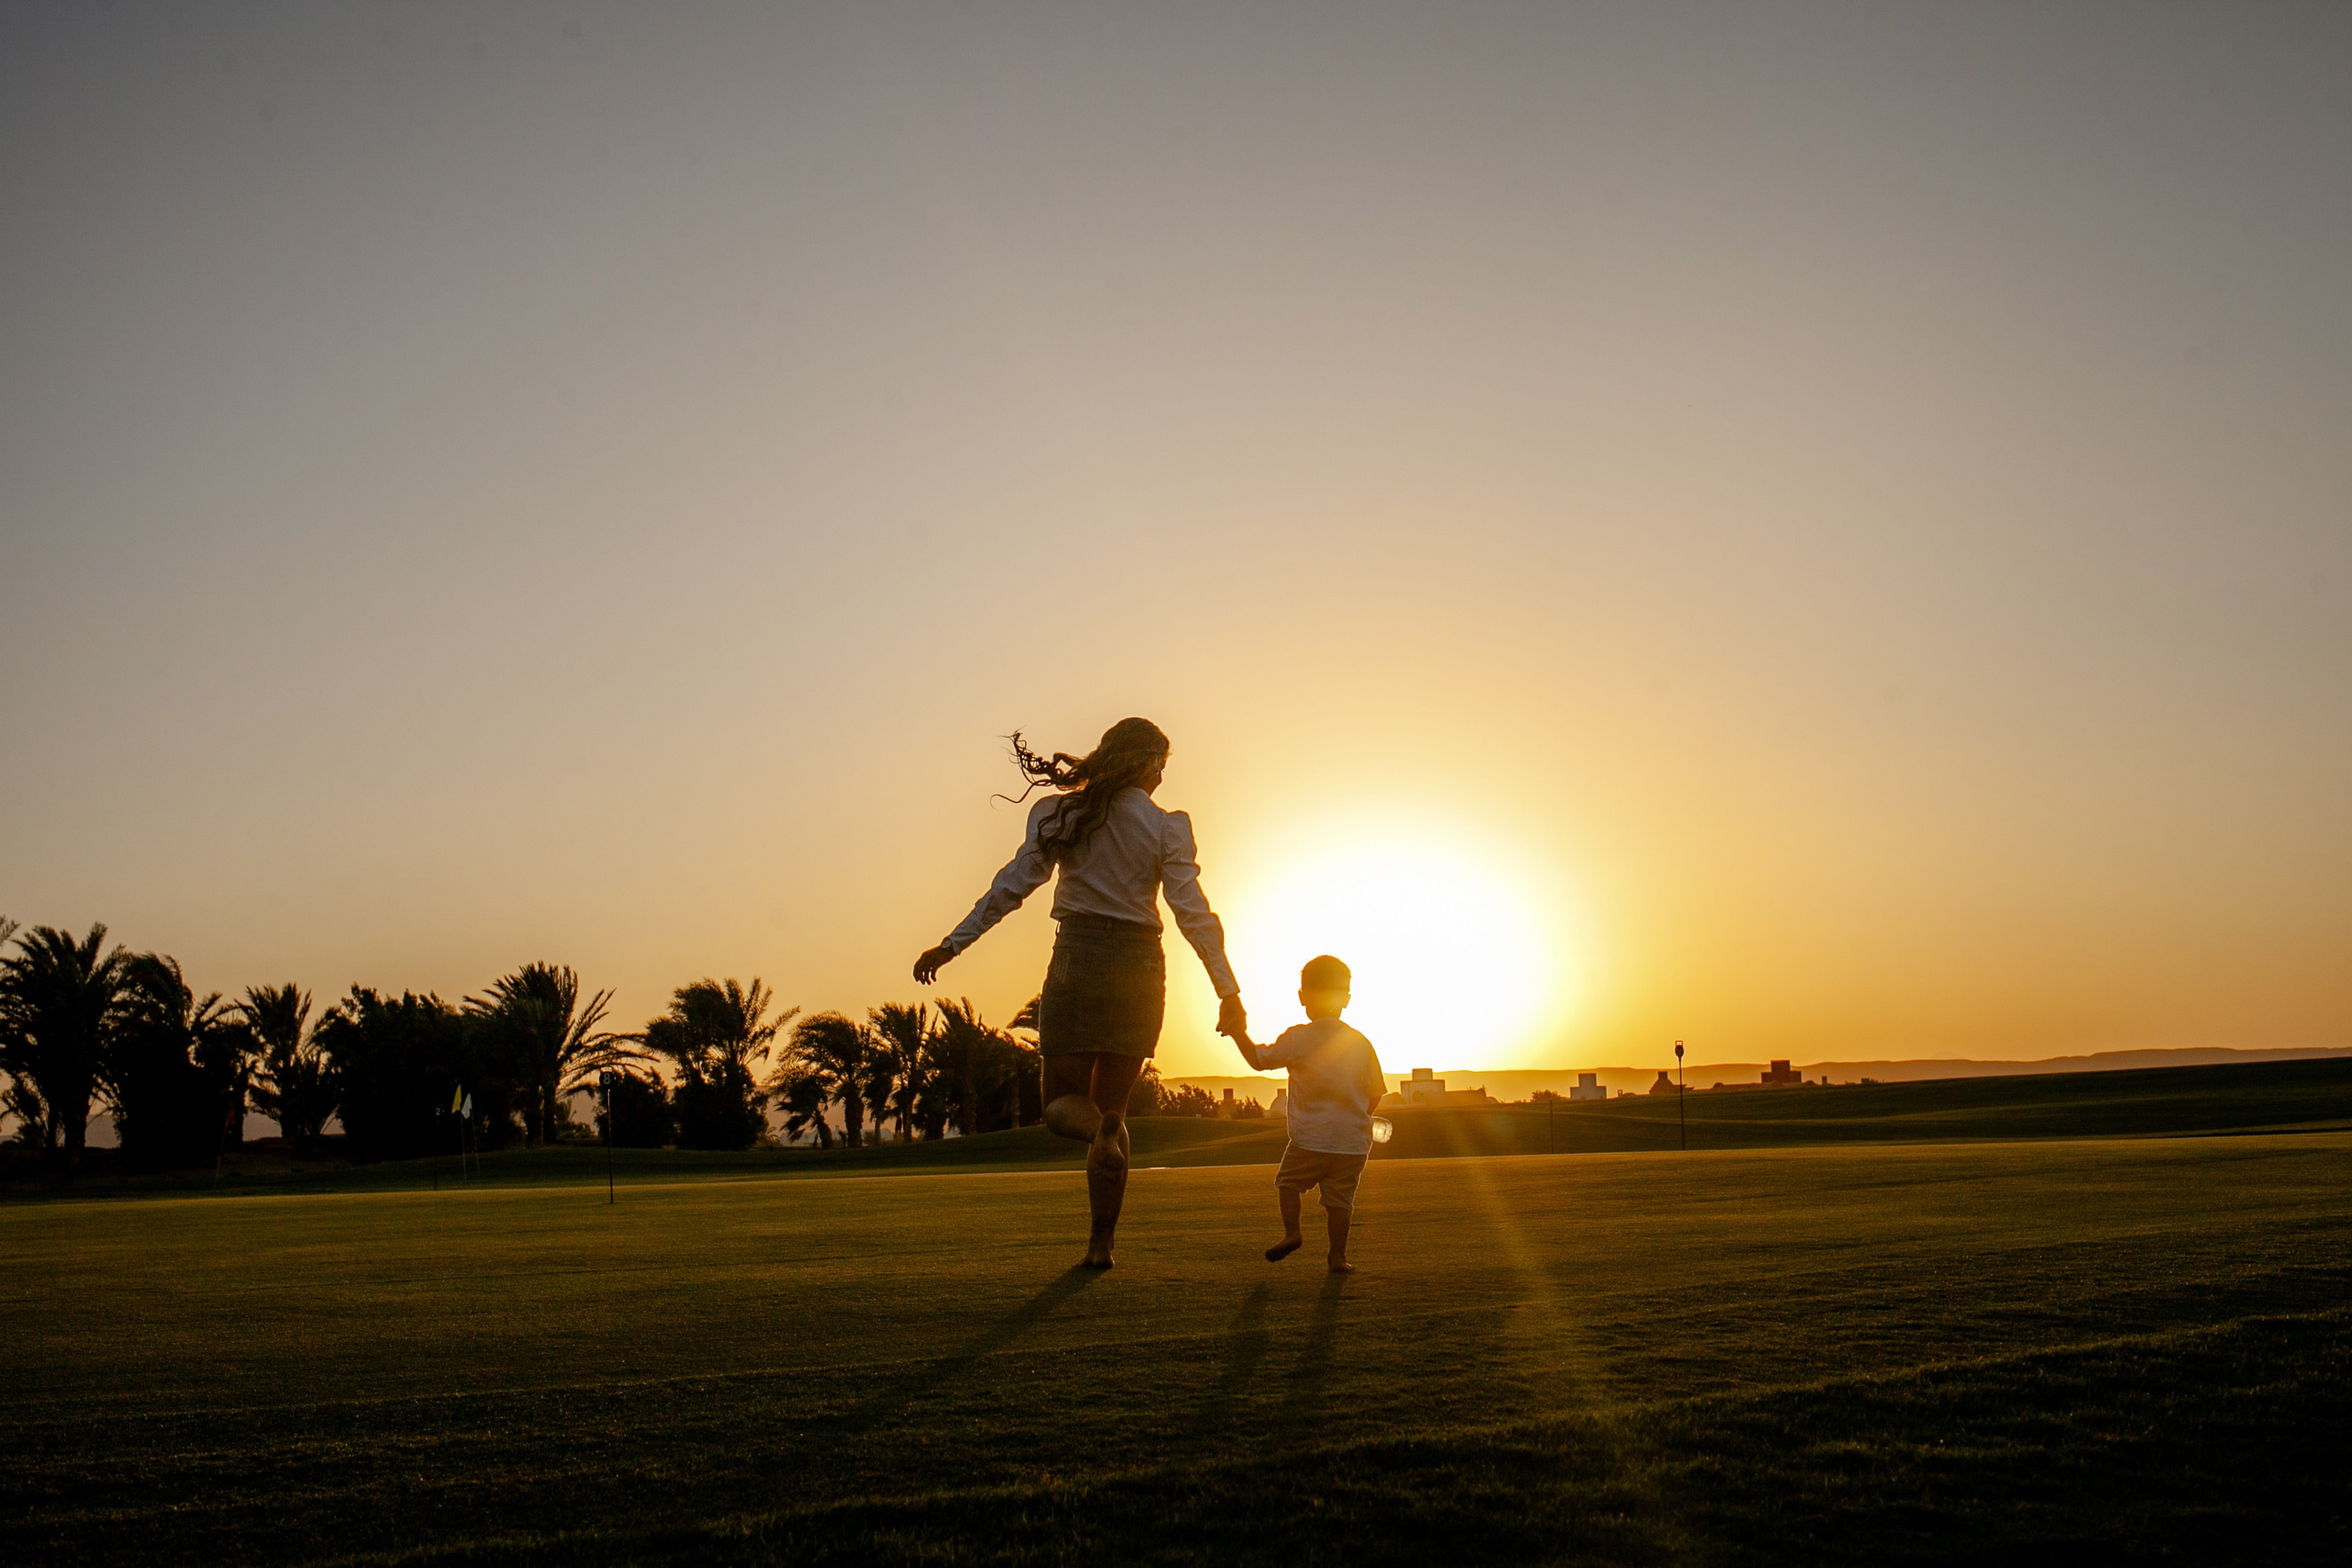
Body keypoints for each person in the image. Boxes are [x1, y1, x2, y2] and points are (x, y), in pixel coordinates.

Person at [913, 717, 1247, 1269]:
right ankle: (1101, 1242)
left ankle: (1099, 1130)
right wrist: (1227, 989)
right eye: (1161, 764)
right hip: (1142, 965)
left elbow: (1010, 887)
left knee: (1060, 1108)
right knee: (1113, 1112)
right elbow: (1195, 915)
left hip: (1079, 958)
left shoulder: (1061, 813)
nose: (1163, 776)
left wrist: (952, 945)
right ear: (1142, 763)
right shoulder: (1168, 827)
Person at [1227, 953, 1385, 1273]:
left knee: (1288, 1182)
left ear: (1302, 996)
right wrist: (1358, 1118)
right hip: (1352, 1142)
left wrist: (1236, 1033)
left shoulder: (1299, 1037)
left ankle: (1293, 1232)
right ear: (1347, 999)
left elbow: (1260, 1060)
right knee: (1340, 1201)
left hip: (1310, 1137)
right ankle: (1337, 1257)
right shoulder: (1361, 1042)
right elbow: (1376, 1092)